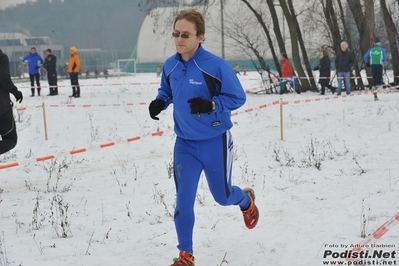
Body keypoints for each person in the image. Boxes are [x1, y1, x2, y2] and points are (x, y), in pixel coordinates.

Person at [148, 9, 259, 266]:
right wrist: (159, 102)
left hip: (213, 141)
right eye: (176, 34)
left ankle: (245, 200)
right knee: (183, 199)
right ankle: (186, 255)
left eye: (185, 34)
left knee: (222, 197)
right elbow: (167, 90)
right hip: (184, 144)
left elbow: (237, 97)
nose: (179, 39)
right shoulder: (170, 65)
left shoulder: (215, 66)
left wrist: (211, 105)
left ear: (201, 37)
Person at [0, 49, 23, 155]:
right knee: (11, 140)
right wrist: (16, 92)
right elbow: (4, 78)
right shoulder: (2, 58)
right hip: (2, 108)